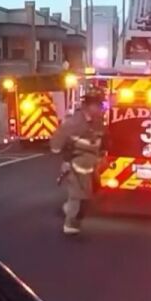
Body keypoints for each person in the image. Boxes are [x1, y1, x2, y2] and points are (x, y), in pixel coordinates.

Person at [49, 91, 105, 236]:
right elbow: (56, 143)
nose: (100, 108)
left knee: (88, 195)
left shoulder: (98, 121)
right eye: (96, 105)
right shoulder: (73, 123)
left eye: (100, 105)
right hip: (76, 164)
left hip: (91, 166)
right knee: (77, 196)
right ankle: (70, 225)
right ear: (86, 106)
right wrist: (66, 157)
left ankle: (70, 210)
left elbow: (102, 140)